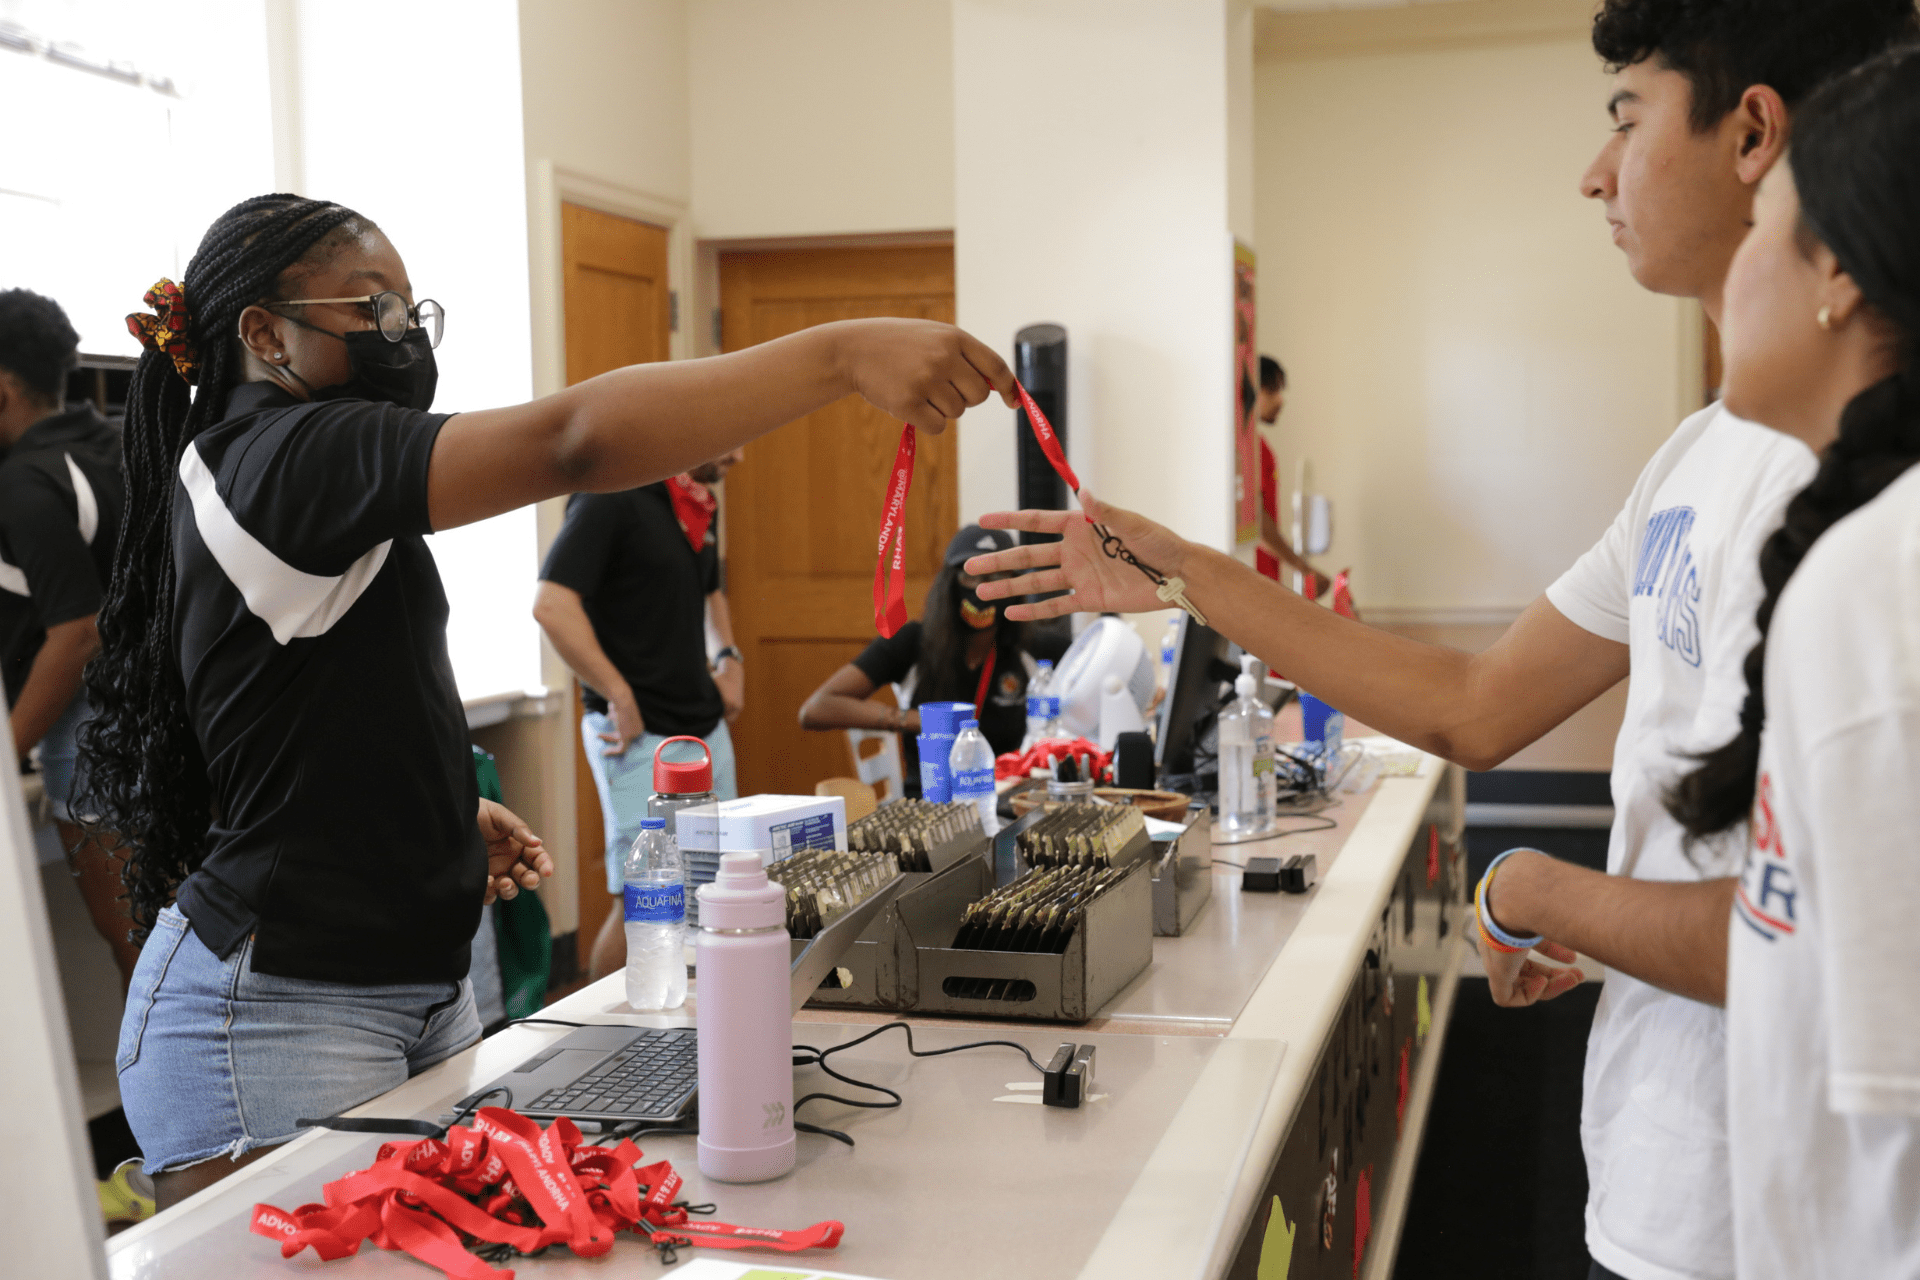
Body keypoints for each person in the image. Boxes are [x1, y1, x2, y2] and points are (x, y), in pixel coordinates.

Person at [962, 5, 1919, 1278]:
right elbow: (1476, 699)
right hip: (1671, 1153)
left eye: (1625, 120)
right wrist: (1184, 572)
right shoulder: (1696, 456)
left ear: (1755, 137)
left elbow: (1818, 930)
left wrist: (1535, 887)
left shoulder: (1872, 542)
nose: (1595, 172)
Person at [80, 193, 1014, 1210]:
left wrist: (431, 810)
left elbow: (320, 696)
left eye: (411, 311)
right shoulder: (276, 458)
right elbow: (571, 442)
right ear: (263, 332)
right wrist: (840, 355)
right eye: (373, 313)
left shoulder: (294, 470)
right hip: (275, 1019)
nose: (402, 337)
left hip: (403, 988)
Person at [1475, 47, 1920, 1275]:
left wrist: (1538, 889)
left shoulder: (1871, 568)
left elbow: (1827, 988)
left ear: (1835, 270)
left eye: (1768, 227)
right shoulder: (1733, 478)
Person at [534, 447, 746, 979]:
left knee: (714, 888)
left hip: (704, 729)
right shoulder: (614, 493)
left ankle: (684, 1031)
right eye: (733, 439)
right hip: (637, 736)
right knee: (645, 906)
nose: (740, 456)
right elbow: (551, 604)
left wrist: (728, 656)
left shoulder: (697, 504)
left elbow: (710, 589)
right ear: (695, 426)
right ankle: (600, 1038)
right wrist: (617, 694)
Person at [0, 288, 137, 987]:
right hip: (163, 725)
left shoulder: (25, 482)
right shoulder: (115, 442)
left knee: (143, 964)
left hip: (92, 748)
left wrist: (6, 749)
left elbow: (78, 632)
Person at [799, 525, 1031, 794]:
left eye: (996, 577)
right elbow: (814, 710)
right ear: (949, 582)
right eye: (970, 576)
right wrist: (912, 720)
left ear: (1014, 585)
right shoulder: (913, 641)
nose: (981, 590)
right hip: (929, 800)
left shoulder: (1029, 649)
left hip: (1004, 799)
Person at [1253, 356, 1328, 595]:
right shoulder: (1251, 451)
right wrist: (1304, 569)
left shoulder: (1259, 447)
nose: (1280, 400)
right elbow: (1256, 519)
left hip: (1264, 577)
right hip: (1253, 578)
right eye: (1272, 390)